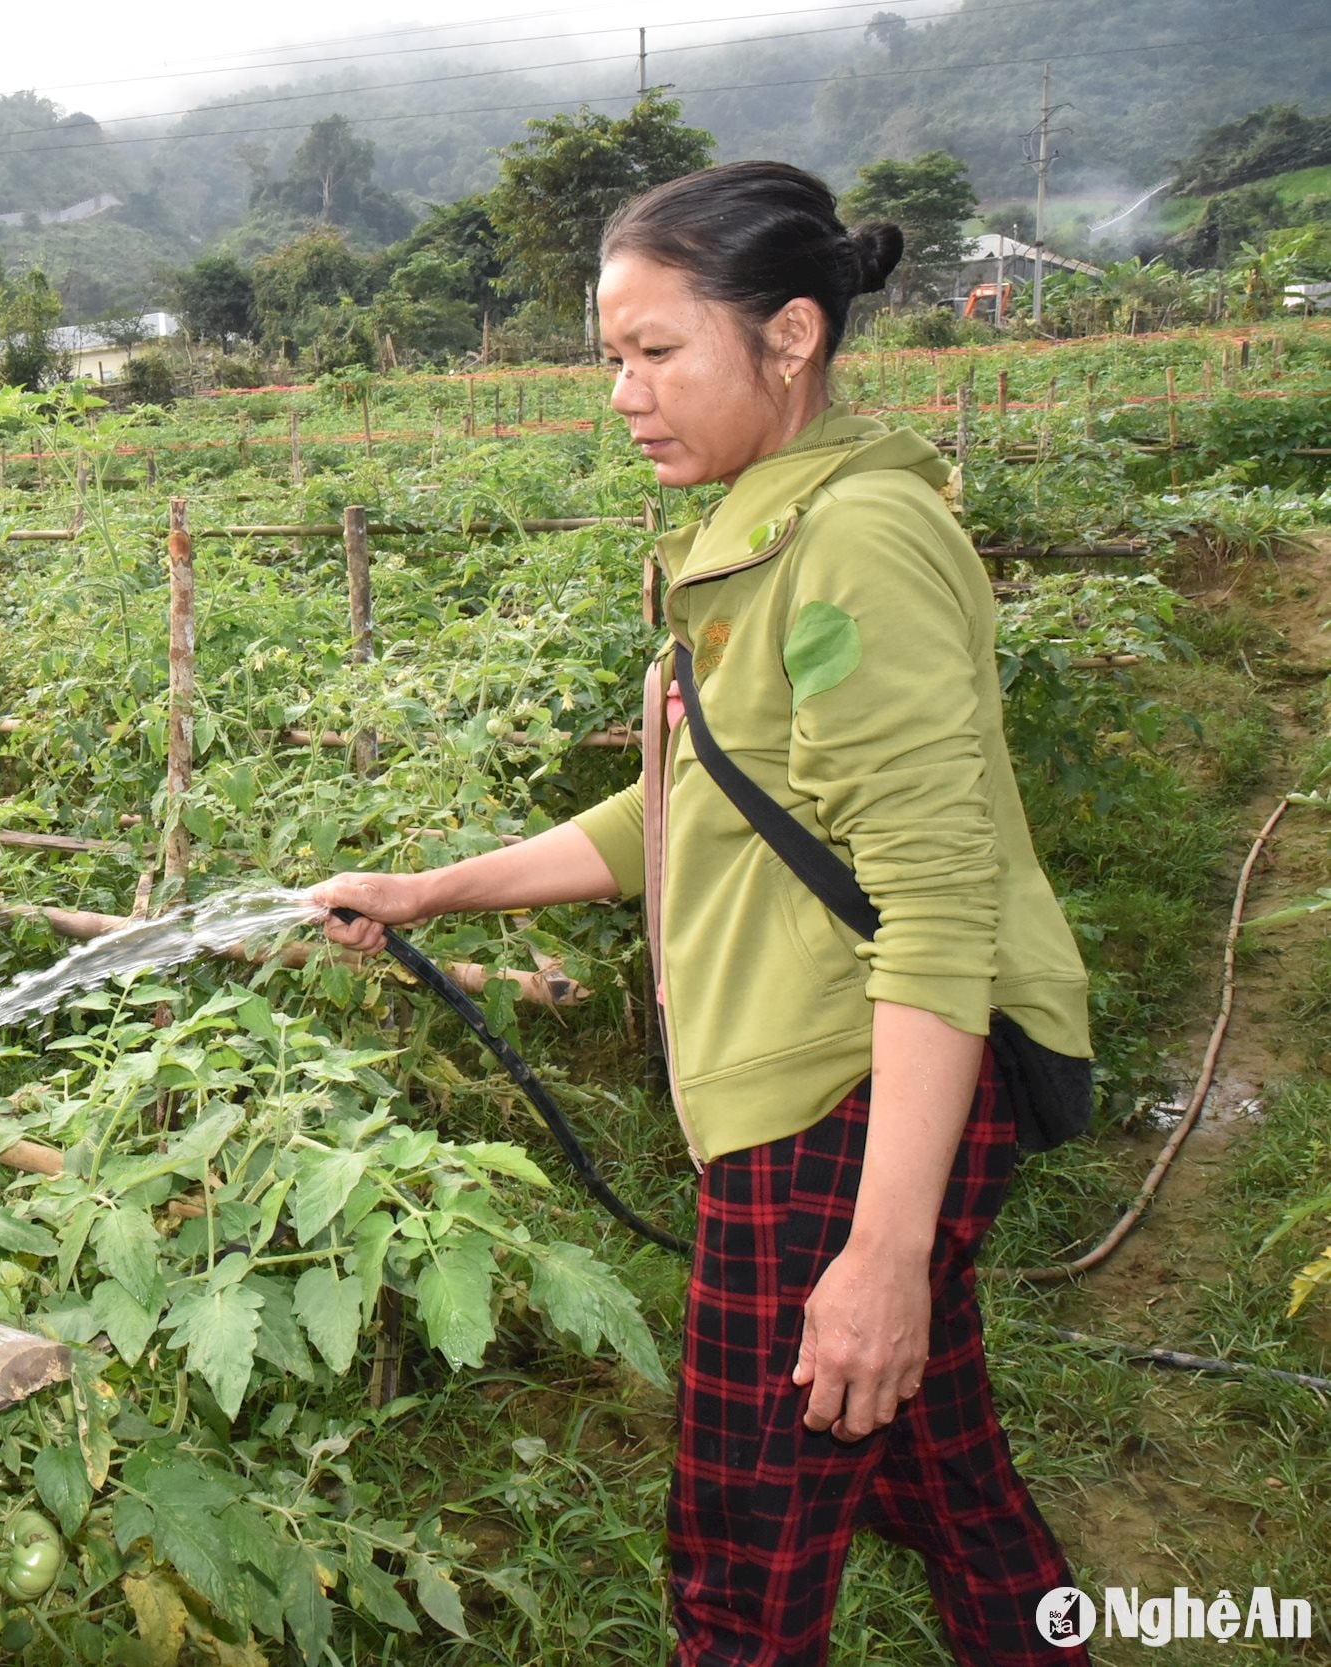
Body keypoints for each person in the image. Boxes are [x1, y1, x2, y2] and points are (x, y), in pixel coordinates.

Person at [311, 161, 1093, 1666]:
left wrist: (879, 1253)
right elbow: (685, 814)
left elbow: (936, 904)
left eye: (658, 352)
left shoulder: (850, 544)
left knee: (745, 1555)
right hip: (846, 1083)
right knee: (945, 1479)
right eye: (613, 357)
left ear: (790, 336)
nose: (624, 392)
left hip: (844, 1098)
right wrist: (432, 889)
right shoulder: (771, 527)